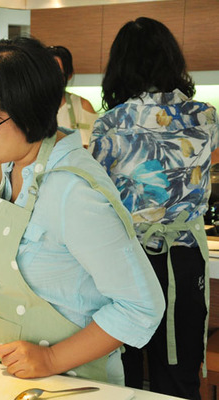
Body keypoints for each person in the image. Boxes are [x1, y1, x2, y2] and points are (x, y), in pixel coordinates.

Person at [0, 37, 164, 384]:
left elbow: (142, 306)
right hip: (3, 374)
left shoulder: (73, 192)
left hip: (67, 383)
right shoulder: (11, 164)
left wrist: (51, 358)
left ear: (28, 114)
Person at [90, 17, 219, 399]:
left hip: (126, 258)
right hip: (184, 260)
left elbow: (97, 194)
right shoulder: (205, 117)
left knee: (121, 371)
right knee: (178, 377)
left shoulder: (108, 126)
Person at [46, 45, 98, 147]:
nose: (53, 79)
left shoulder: (83, 106)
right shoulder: (30, 106)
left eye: (59, 74)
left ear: (69, 75)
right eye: (49, 73)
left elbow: (91, 145)